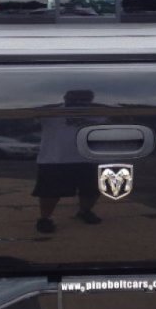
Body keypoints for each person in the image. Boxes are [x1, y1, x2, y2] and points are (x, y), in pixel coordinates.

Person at [32, 90, 105, 234]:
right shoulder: (51, 112)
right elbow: (33, 113)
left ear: (91, 99)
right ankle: (45, 219)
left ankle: (85, 212)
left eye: (84, 99)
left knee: (91, 190)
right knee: (49, 193)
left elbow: (119, 116)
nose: (79, 102)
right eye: (74, 98)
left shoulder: (98, 112)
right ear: (65, 98)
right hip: (55, 159)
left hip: (89, 157)